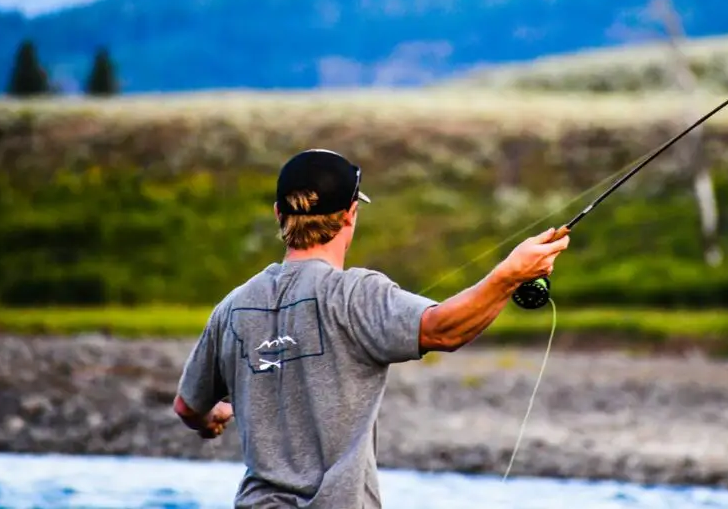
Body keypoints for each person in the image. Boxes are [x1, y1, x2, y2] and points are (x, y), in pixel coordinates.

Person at [172, 148, 570, 508]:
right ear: (350, 214)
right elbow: (445, 330)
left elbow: (187, 406)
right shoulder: (355, 295)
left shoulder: (233, 307)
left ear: (279, 214)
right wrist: (510, 275)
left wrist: (213, 417)